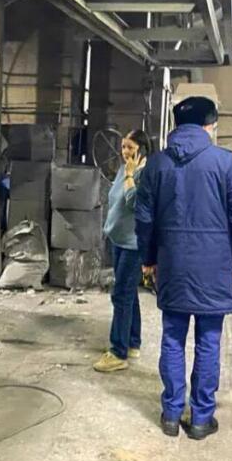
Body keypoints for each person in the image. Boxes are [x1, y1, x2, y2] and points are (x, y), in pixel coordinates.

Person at [135, 96, 232, 440]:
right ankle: (201, 418)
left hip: (172, 263)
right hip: (214, 266)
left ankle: (172, 414)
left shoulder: (156, 164)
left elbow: (144, 218)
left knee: (173, 338)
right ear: (209, 125)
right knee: (208, 341)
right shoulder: (224, 162)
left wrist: (148, 258)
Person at [94, 129, 152, 374]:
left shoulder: (144, 173)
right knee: (129, 294)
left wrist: (130, 175)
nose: (125, 151)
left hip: (132, 244)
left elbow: (135, 204)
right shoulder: (124, 168)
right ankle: (132, 342)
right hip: (118, 240)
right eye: (123, 146)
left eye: (130, 147)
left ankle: (118, 352)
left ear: (142, 150)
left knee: (120, 295)